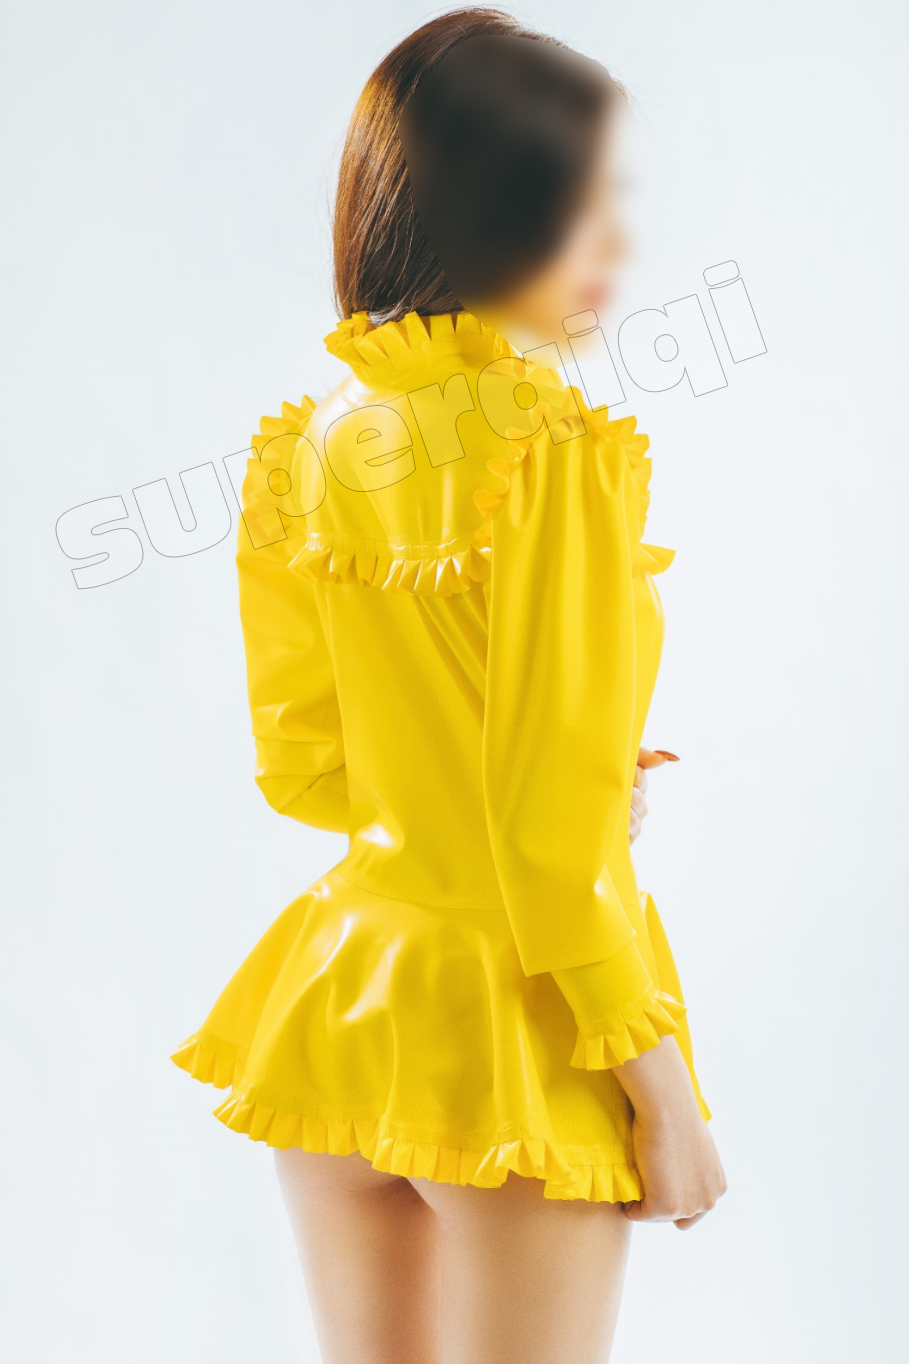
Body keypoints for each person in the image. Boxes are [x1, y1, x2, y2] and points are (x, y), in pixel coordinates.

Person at [172, 9, 726, 1361]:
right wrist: (663, 1090)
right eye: (581, 208)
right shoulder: (547, 448)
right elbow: (545, 833)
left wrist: (464, 771)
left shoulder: (310, 446)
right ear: (493, 214)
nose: (611, 248)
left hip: (343, 996)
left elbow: (305, 761)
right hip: (509, 1037)